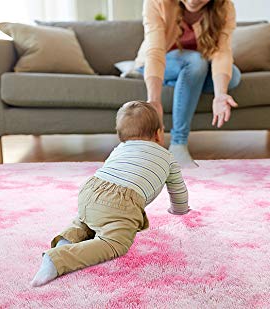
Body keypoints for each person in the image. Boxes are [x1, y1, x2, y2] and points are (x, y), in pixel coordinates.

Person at [31, 101, 189, 287]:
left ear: (121, 136)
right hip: (122, 203)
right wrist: (179, 209)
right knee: (115, 242)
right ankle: (58, 259)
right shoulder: (168, 157)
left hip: (91, 190)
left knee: (86, 220)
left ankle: (65, 242)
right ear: (158, 134)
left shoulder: (119, 149)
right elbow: (178, 190)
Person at [135, 0, 241, 168]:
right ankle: (178, 143)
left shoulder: (224, 6)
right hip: (161, 62)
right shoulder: (157, 2)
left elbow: (222, 52)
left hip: (197, 64)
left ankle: (185, 80)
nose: (193, 0)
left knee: (233, 76)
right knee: (196, 61)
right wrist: (154, 100)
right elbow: (155, 51)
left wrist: (220, 94)